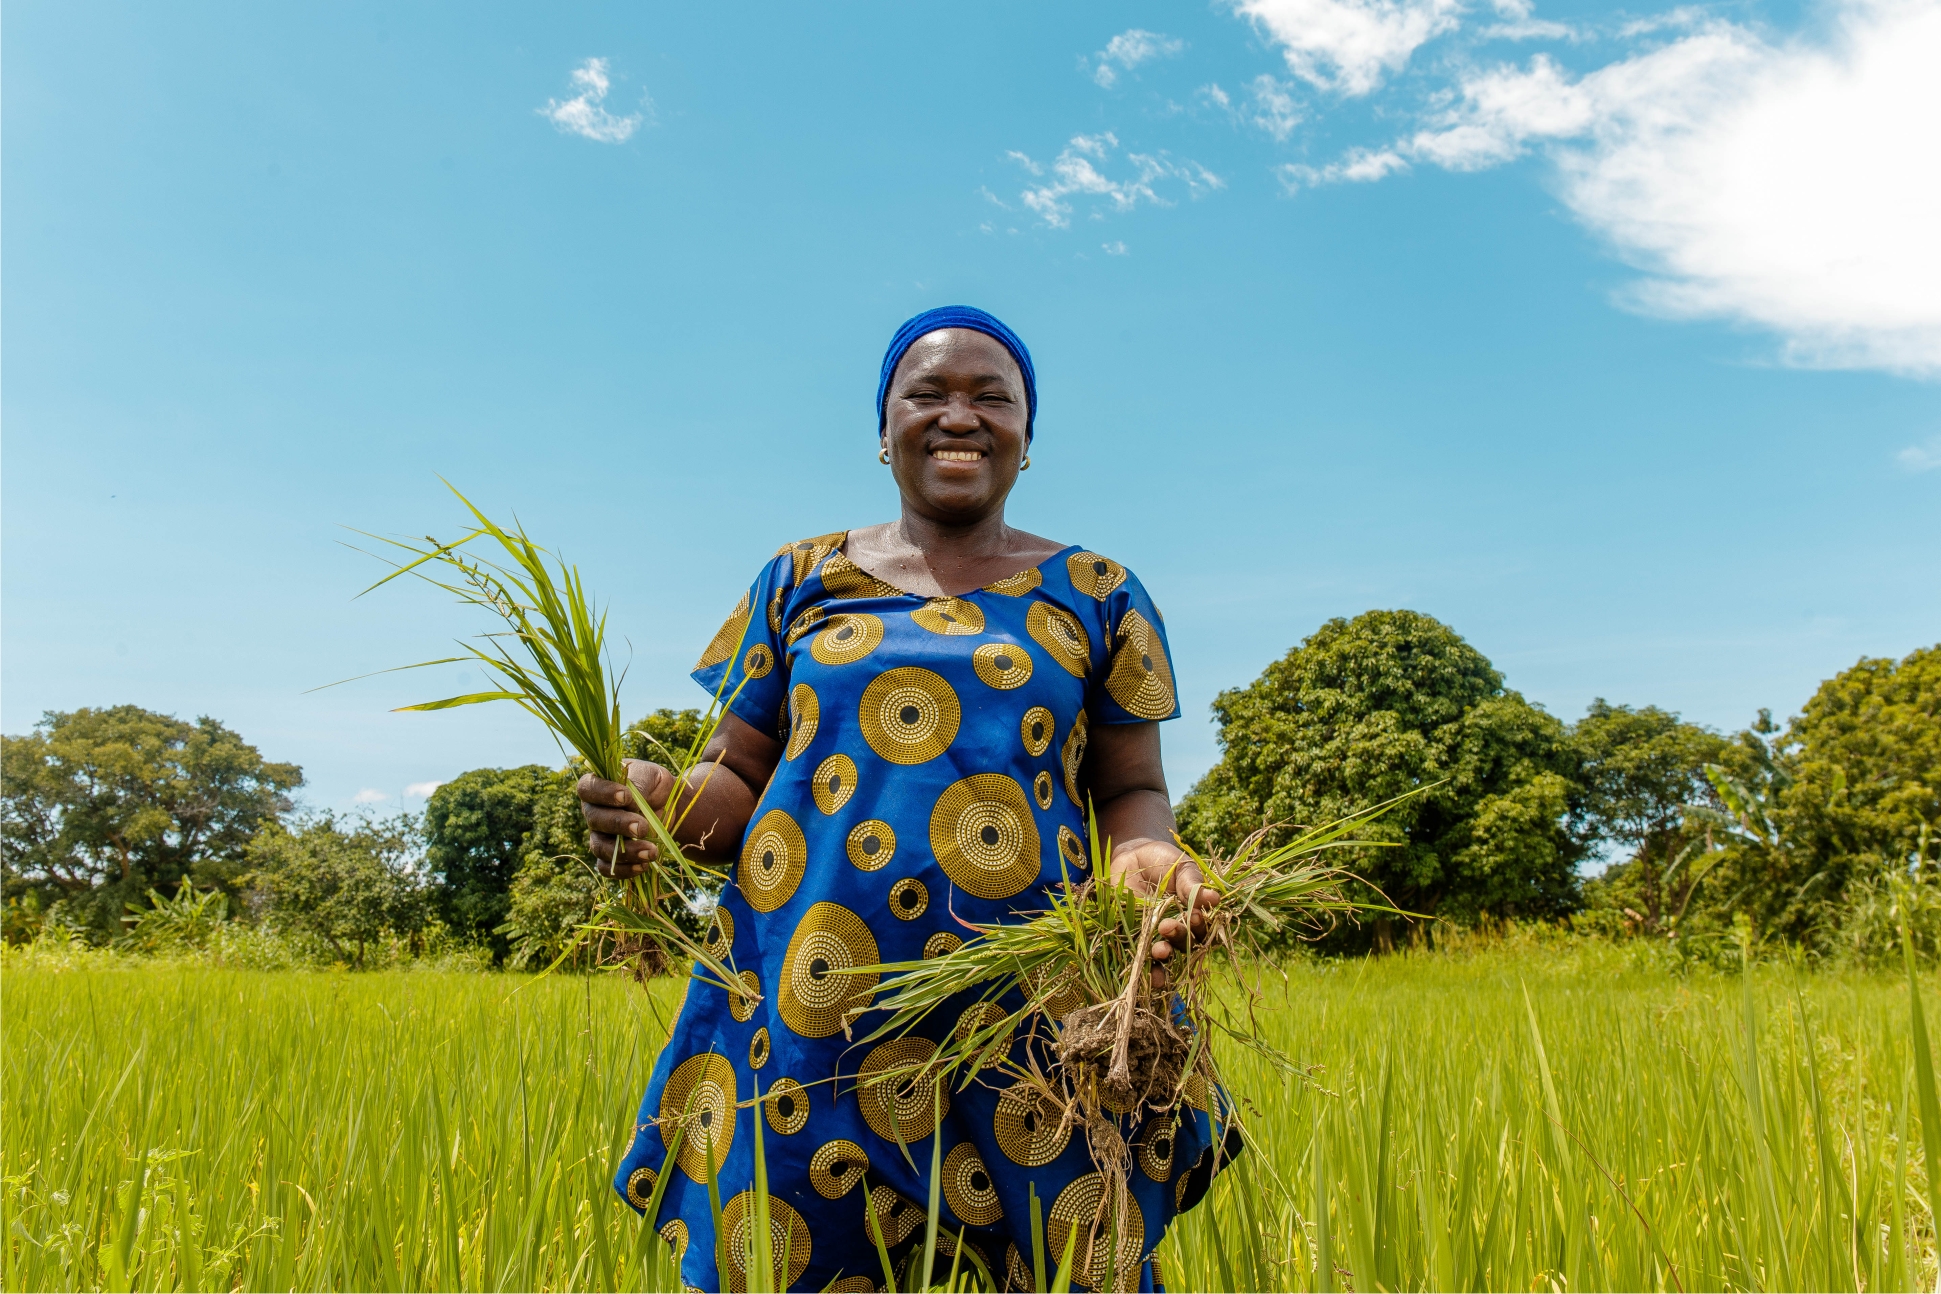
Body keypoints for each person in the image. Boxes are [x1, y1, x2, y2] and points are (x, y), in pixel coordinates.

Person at [587, 306, 1224, 1292]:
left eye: (992, 398)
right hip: (810, 1025)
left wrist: (1153, 868)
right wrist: (664, 807)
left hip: (1032, 1027)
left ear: (1027, 437)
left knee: (1052, 1263)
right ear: (883, 432)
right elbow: (735, 784)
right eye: (926, 394)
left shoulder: (1101, 593)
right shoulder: (797, 579)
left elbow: (1133, 793)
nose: (958, 415)